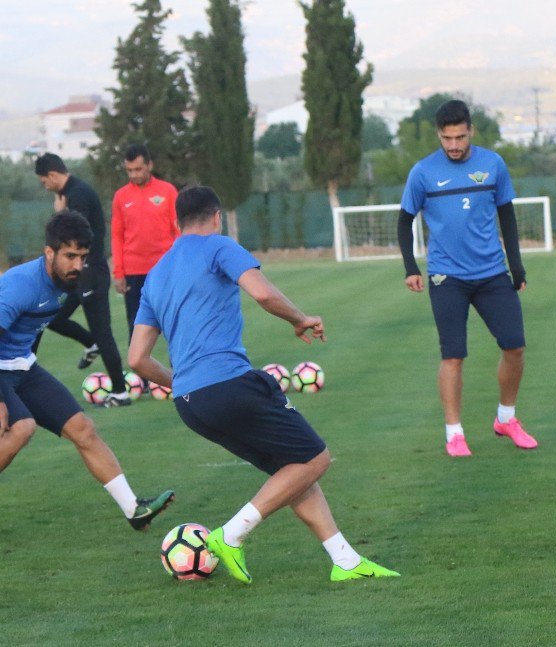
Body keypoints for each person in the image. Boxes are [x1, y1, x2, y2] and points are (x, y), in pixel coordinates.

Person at [128, 185, 399, 585]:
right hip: (229, 384)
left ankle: (344, 559)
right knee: (316, 459)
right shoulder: (219, 246)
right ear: (216, 216)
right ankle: (230, 536)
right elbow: (262, 293)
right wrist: (300, 319)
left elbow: (136, 358)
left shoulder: (155, 276)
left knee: (293, 469)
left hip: (191, 404)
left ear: (176, 222)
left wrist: (184, 383)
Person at [0, 210, 174, 539]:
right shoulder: (21, 286)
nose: (77, 264)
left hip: (20, 366)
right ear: (49, 252)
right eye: (69, 256)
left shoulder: (73, 282)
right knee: (22, 427)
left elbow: (41, 324)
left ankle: (134, 509)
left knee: (83, 428)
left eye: (82, 256)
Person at [397, 99, 537, 458]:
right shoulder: (423, 172)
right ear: (438, 135)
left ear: (471, 130)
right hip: (447, 276)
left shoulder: (493, 164)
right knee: (453, 355)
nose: (454, 145)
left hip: (492, 273)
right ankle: (454, 433)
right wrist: (411, 267)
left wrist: (516, 265)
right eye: (447, 138)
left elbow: (507, 216)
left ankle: (506, 418)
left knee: (515, 346)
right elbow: (404, 220)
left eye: (460, 137)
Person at [33, 153, 130, 407]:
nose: (46, 187)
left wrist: (60, 212)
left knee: (103, 331)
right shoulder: (72, 192)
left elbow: (76, 236)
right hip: (79, 276)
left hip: (91, 273)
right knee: (51, 316)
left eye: (44, 182)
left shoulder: (78, 194)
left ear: (52, 176)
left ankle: (120, 391)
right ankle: (90, 344)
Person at [110, 143, 179, 338]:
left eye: (138, 169)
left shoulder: (168, 191)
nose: (134, 175)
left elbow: (179, 231)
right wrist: (118, 272)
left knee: (175, 324)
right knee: (136, 327)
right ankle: (139, 369)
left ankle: (182, 368)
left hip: (164, 269)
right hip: (134, 271)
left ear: (150, 165)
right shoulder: (121, 197)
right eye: (129, 170)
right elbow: (117, 236)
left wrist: (179, 263)